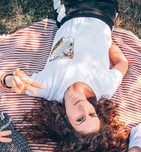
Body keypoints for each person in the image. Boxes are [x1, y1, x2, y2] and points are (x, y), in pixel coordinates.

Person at [0, 0, 128, 136]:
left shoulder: (48, 87)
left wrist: (9, 80)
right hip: (104, 12)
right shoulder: (104, 88)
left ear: (65, 120)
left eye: (80, 119)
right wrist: (107, 41)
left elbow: (6, 81)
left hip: (71, 9)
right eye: (92, 114)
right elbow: (122, 63)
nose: (83, 108)